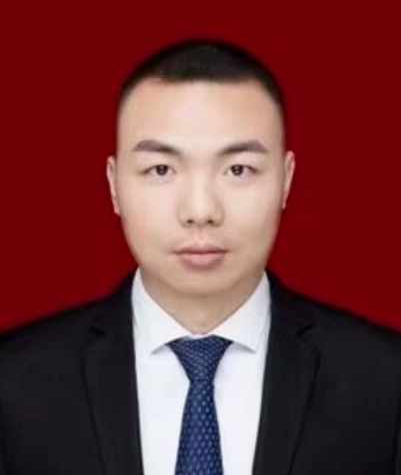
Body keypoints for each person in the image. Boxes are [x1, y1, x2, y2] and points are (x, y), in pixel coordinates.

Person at [0, 39, 400, 475]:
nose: (201, 211)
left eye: (238, 170)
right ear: (114, 185)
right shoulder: (14, 382)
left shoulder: (385, 381)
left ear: (286, 181)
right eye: (161, 170)